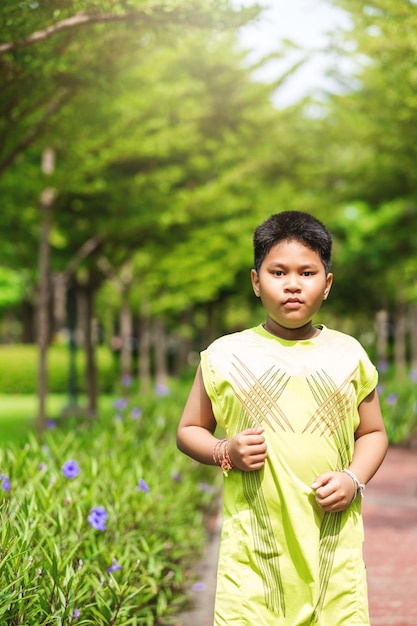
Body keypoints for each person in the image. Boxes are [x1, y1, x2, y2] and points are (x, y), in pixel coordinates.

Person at [176, 210, 388, 625]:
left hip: (331, 549)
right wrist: (225, 450)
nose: (292, 284)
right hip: (254, 555)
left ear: (326, 284)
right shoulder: (224, 355)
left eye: (307, 272)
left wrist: (353, 478)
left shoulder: (349, 355)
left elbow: (375, 432)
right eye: (278, 272)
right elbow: (188, 430)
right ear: (256, 281)